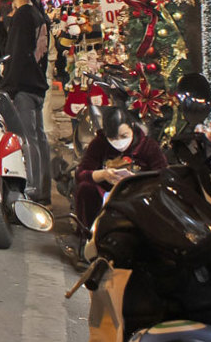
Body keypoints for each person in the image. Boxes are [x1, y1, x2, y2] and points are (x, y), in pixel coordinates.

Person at [0, 0, 53, 214]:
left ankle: (32, 192)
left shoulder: (23, 15)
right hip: (36, 85)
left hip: (24, 86)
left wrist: (8, 87)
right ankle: (42, 192)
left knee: (27, 141)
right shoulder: (36, 14)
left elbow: (17, 56)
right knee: (38, 138)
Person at [72, 104, 168, 243]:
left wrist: (137, 179)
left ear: (132, 126)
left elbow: (163, 174)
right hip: (106, 194)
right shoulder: (99, 143)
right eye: (113, 138)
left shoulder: (148, 146)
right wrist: (103, 174)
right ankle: (89, 238)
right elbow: (81, 173)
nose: (119, 142)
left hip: (138, 195)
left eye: (124, 136)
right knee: (85, 188)